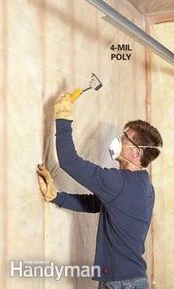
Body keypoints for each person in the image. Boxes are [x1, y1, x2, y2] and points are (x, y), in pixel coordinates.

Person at [36, 94, 163, 289]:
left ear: (136, 153)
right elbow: (96, 204)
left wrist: (63, 117)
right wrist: (56, 197)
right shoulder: (145, 186)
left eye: (124, 139)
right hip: (132, 280)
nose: (118, 142)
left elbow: (69, 161)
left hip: (120, 284)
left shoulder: (119, 182)